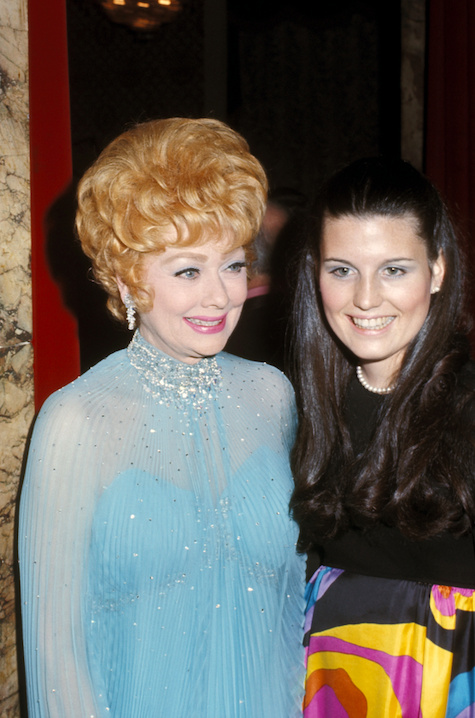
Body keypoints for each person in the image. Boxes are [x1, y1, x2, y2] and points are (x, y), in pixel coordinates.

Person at [19, 117, 305, 718]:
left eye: (232, 264)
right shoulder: (75, 420)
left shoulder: (273, 395)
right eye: (187, 271)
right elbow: (57, 654)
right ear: (126, 279)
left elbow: (291, 607)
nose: (220, 295)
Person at [289, 157, 475, 716]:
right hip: (325, 681)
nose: (366, 299)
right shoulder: (299, 406)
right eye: (342, 270)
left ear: (437, 270)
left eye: (394, 269)